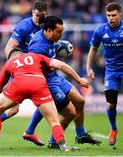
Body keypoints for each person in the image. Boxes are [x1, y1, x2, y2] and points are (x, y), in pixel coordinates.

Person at [0, 49, 89, 151]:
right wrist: (79, 79)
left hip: (19, 85)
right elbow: (60, 65)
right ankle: (63, 145)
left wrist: (3, 88)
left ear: (12, 57)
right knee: (54, 121)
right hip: (39, 83)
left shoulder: (10, 63)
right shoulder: (36, 56)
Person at [0, 0, 48, 147]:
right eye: (36, 15)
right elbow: (9, 47)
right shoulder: (24, 26)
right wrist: (19, 62)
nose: (39, 18)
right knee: (19, 106)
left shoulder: (46, 26)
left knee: (15, 109)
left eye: (42, 16)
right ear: (32, 13)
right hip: (23, 69)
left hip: (35, 68)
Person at [26, 15, 101, 148]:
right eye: (59, 32)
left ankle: (80, 135)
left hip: (54, 76)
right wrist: (79, 79)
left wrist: (60, 45)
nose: (61, 34)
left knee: (80, 101)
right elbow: (59, 66)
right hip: (46, 81)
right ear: (49, 30)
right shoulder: (38, 47)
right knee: (70, 113)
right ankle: (53, 141)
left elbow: (53, 48)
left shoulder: (48, 36)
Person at [86, 2, 123, 146]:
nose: (111, 18)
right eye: (108, 15)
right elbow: (93, 48)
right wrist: (88, 67)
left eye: (113, 15)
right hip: (111, 71)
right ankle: (113, 129)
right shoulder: (100, 30)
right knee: (110, 104)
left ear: (119, 14)